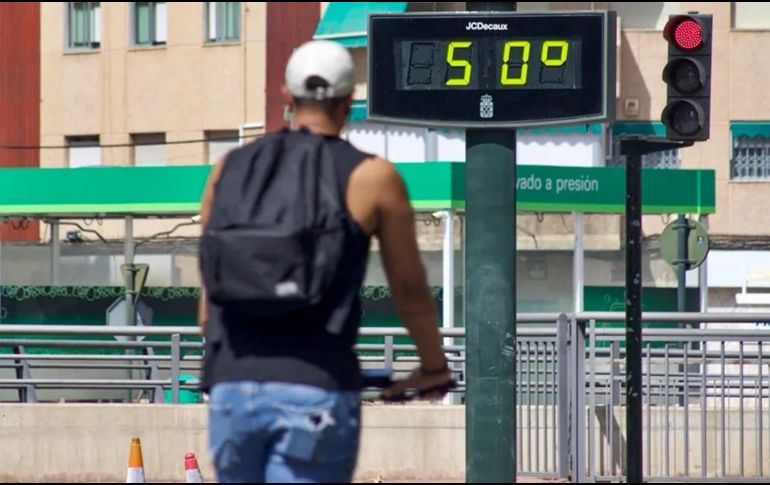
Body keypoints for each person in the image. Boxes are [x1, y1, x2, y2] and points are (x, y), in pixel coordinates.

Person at [197, 40, 452, 483]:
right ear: (349, 100)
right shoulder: (373, 176)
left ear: (286, 95)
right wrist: (433, 368)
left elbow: (207, 306)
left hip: (231, 390)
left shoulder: (228, 169)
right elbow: (410, 291)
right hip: (316, 386)